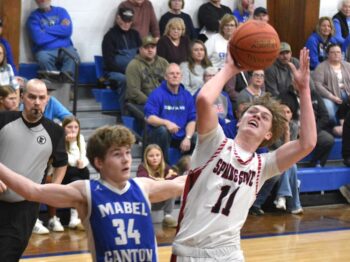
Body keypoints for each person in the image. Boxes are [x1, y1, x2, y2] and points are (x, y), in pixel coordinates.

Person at [171, 48, 316, 261]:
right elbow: (203, 100)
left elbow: (308, 143)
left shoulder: (263, 165)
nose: (257, 115)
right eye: (252, 112)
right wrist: (230, 69)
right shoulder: (214, 143)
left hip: (229, 252)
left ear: (268, 134)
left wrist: (304, 90)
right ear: (239, 120)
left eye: (264, 117)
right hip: (191, 251)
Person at [0, 125, 186, 261]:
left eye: (128, 152)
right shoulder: (86, 191)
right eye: (117, 154)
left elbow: (182, 183)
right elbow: (33, 191)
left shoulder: (143, 186)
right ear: (99, 162)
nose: (126, 159)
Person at [0, 78, 67, 261]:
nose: (36, 102)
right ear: (22, 97)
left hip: (24, 210)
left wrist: (52, 189)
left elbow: (61, 163)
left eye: (41, 97)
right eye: (32, 97)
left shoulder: (55, 131)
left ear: (47, 100)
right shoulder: (3, 119)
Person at [144, 63, 196, 164]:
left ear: (181, 77)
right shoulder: (157, 94)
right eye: (171, 73)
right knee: (163, 130)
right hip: (162, 136)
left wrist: (188, 137)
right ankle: (165, 167)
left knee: (197, 137)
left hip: (181, 136)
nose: (175, 76)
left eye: (177, 73)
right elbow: (150, 118)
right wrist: (166, 123)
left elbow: (192, 120)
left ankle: (191, 169)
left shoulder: (187, 95)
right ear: (165, 77)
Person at [280, 86, 334, 168]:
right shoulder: (285, 95)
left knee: (328, 140)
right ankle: (290, 164)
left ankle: (316, 163)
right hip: (293, 128)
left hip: (312, 128)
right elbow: (283, 113)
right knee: (292, 134)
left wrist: (312, 130)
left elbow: (325, 116)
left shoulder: (314, 94)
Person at [26, 0, 80, 78]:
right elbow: (39, 39)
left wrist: (45, 29)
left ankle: (65, 84)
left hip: (65, 48)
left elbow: (67, 31)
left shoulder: (61, 11)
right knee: (43, 59)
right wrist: (59, 32)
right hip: (45, 50)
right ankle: (53, 83)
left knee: (74, 57)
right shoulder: (33, 18)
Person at [102, 7, 142, 110]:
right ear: (118, 18)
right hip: (114, 72)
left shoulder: (135, 35)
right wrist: (129, 72)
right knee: (125, 80)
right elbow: (109, 62)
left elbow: (142, 55)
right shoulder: (109, 37)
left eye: (129, 21)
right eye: (124, 20)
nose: (127, 23)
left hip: (135, 71)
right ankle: (125, 113)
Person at [125, 35, 169, 120]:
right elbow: (134, 92)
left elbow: (172, 83)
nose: (150, 50)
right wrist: (153, 102)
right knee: (162, 122)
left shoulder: (163, 62)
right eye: (146, 47)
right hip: (141, 104)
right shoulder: (133, 65)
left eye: (152, 47)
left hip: (164, 102)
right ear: (140, 49)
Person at [137, 144, 178, 227]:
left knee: (172, 186)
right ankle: (143, 219)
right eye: (151, 156)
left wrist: (163, 181)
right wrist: (161, 181)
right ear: (146, 157)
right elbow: (143, 179)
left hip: (162, 199)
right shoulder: (142, 167)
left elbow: (175, 177)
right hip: (149, 201)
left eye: (157, 155)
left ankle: (167, 216)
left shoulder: (165, 166)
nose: (155, 158)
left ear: (161, 156)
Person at [61, 116, 89, 230]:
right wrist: (72, 143)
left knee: (83, 171)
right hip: (61, 173)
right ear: (63, 128)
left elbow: (83, 156)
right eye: (69, 127)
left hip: (76, 174)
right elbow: (68, 161)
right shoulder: (59, 139)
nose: (73, 130)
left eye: (76, 127)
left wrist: (83, 162)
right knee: (76, 172)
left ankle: (76, 218)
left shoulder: (80, 138)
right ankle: (74, 217)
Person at [194, 66, 237, 139]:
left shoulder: (224, 95)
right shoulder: (199, 94)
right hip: (207, 127)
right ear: (204, 78)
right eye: (209, 76)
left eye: (214, 75)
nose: (211, 78)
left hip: (224, 128)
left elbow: (230, 116)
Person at [313, 44, 350, 127]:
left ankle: (346, 126)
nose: (336, 54)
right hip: (328, 96)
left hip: (347, 94)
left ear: (341, 54)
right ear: (327, 54)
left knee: (345, 96)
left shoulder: (348, 66)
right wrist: (331, 97)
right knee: (329, 112)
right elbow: (317, 85)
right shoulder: (321, 67)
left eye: (338, 52)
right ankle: (334, 126)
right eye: (333, 52)